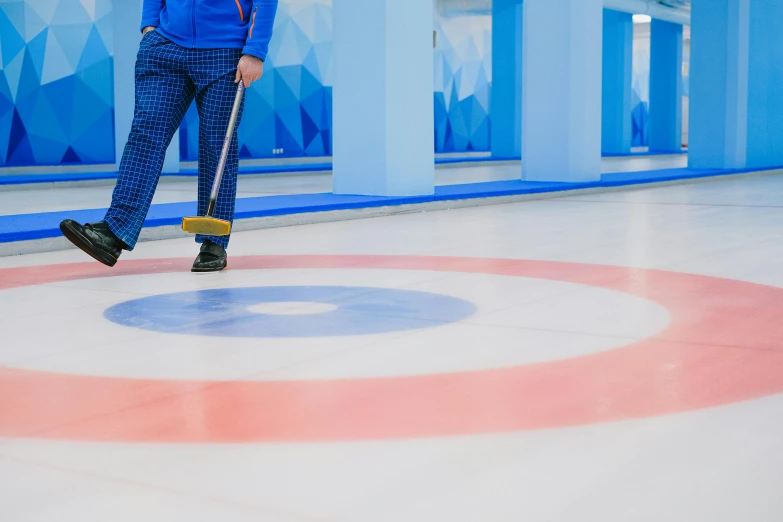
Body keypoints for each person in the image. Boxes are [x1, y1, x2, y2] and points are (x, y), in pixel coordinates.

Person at [59, 0, 279, 272]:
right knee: (145, 135)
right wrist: (149, 26)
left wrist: (255, 50)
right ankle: (114, 232)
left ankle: (214, 241)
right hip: (165, 45)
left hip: (224, 50)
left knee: (217, 144)